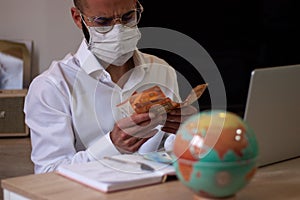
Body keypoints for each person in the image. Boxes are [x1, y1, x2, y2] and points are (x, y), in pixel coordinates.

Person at [24, 0, 197, 174]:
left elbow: (171, 148)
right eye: (102, 21)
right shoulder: (52, 87)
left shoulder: (162, 70)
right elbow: (48, 173)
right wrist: (112, 145)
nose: (118, 30)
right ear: (78, 18)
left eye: (128, 17)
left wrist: (188, 131)